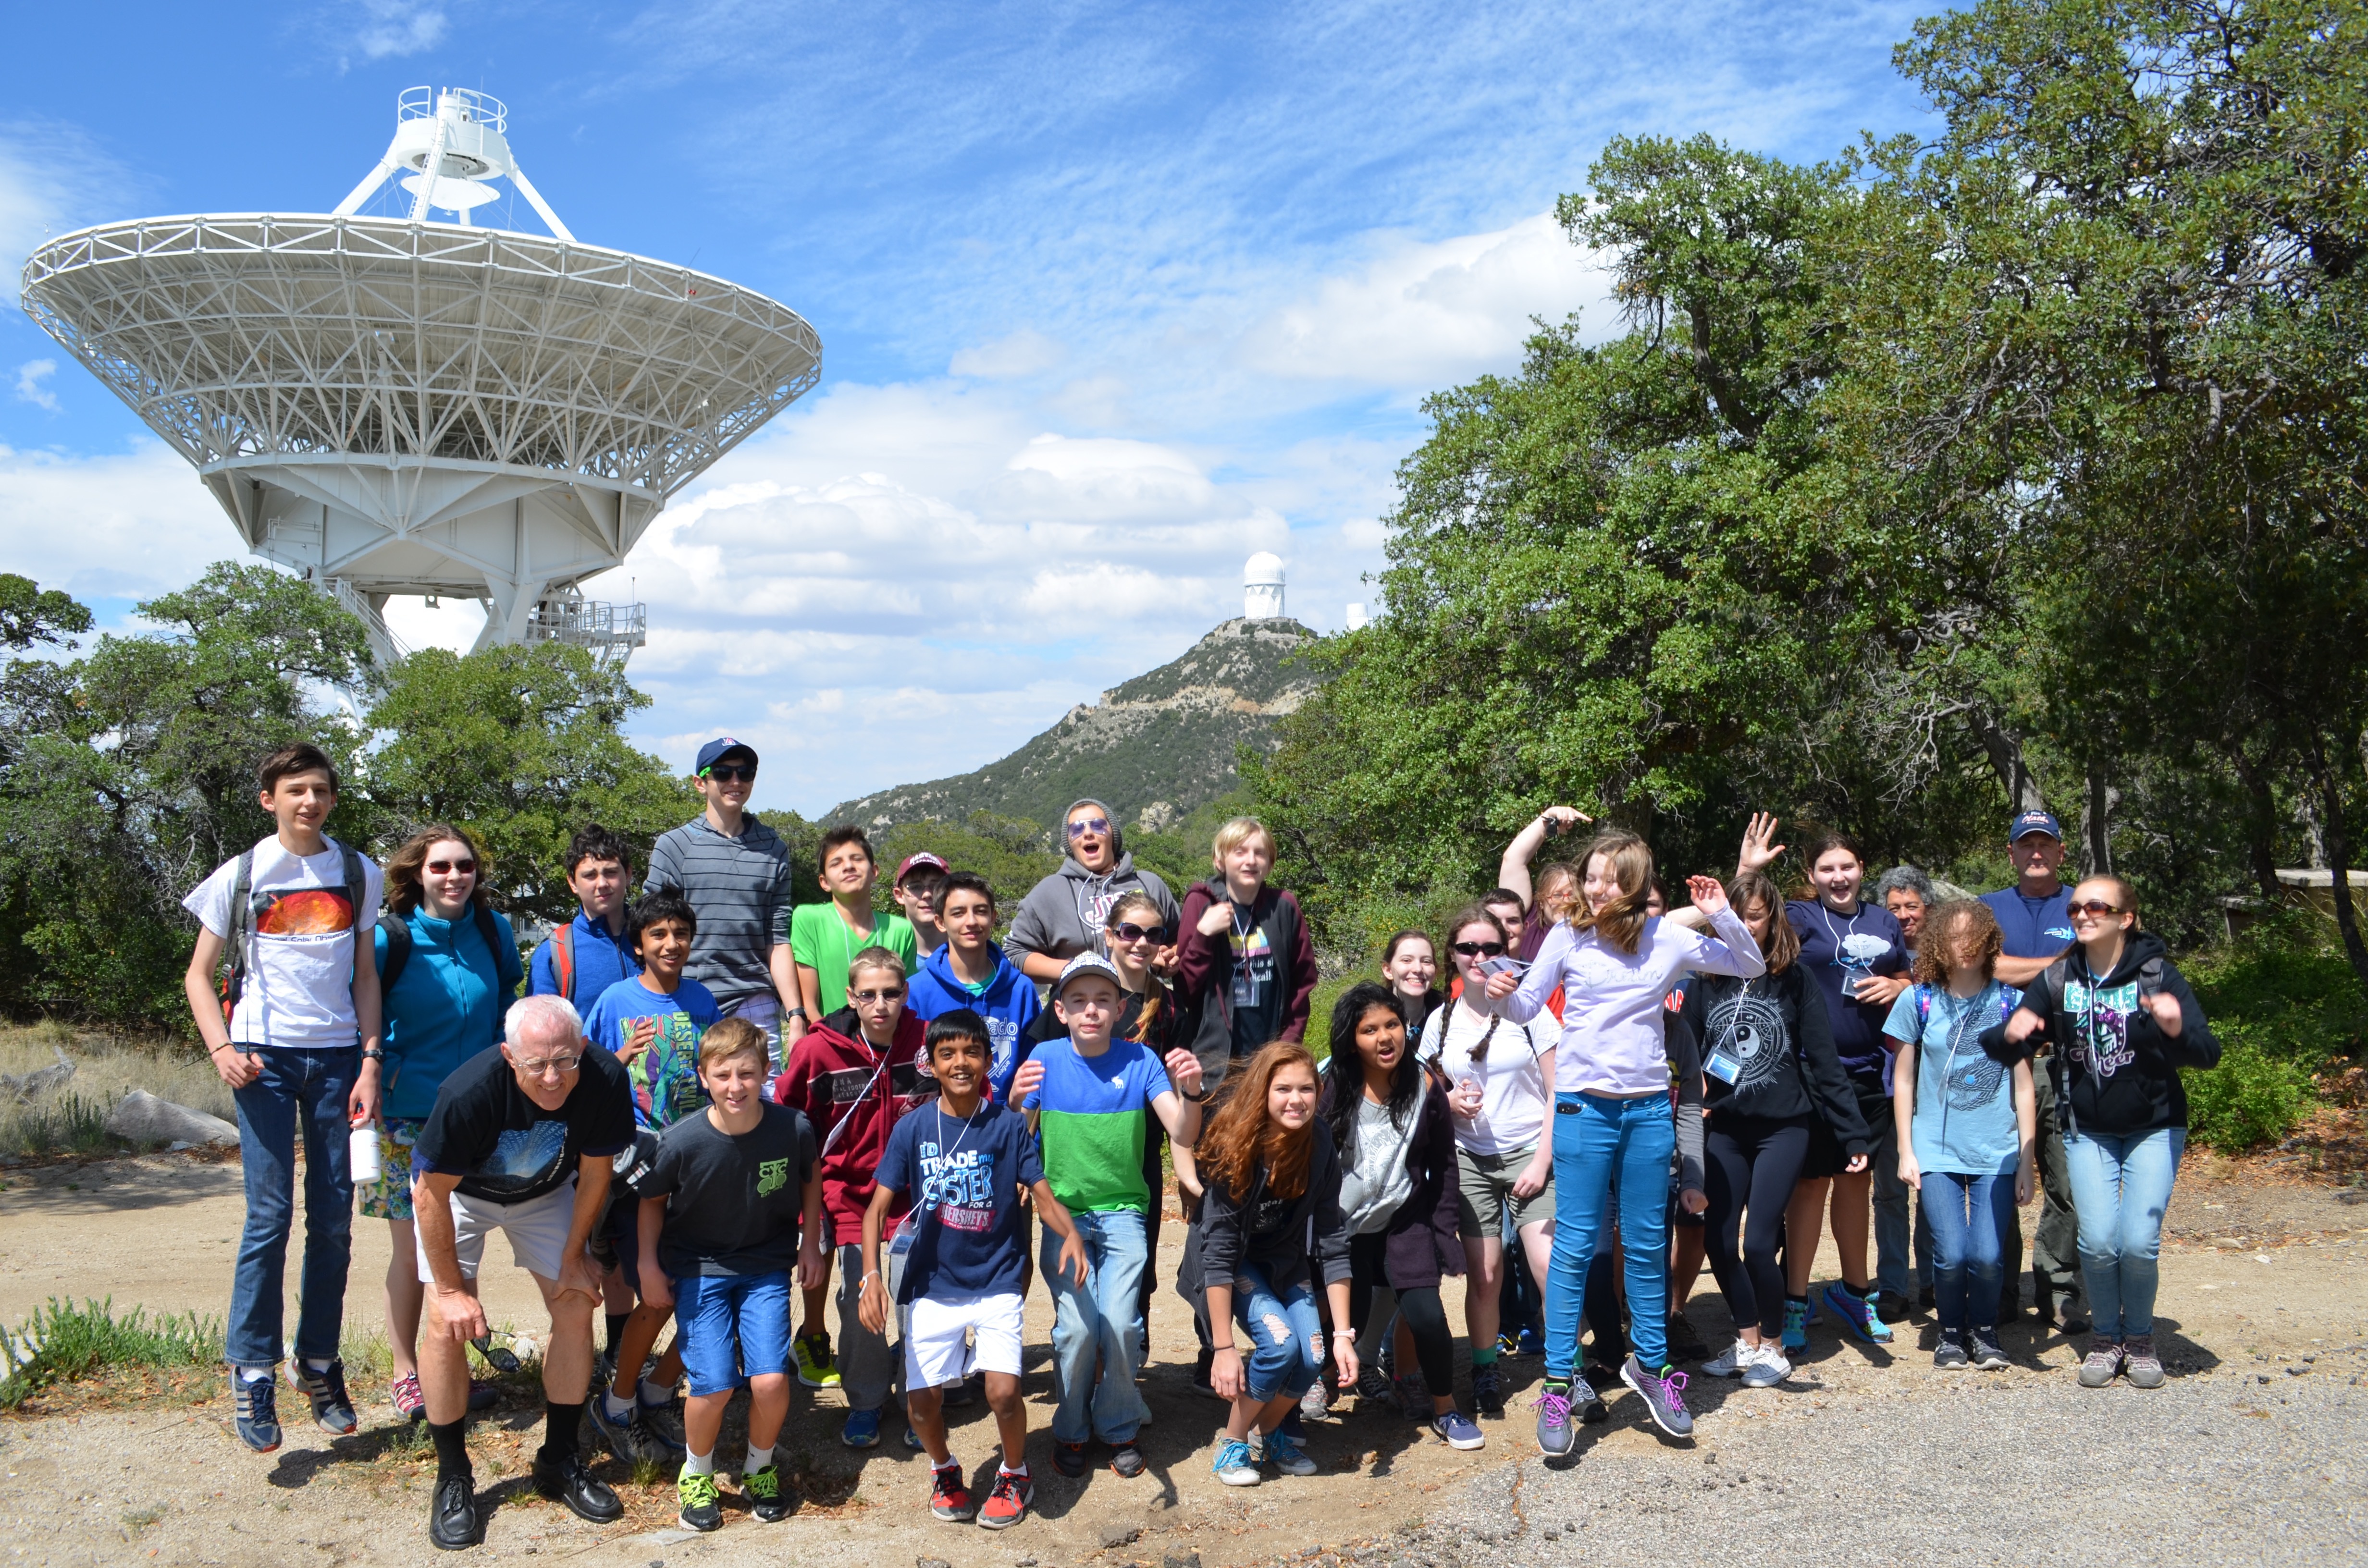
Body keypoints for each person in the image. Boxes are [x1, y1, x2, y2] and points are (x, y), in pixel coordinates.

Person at [1480, 831, 1757, 1458]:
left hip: (1649, 1112)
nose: (1597, 888)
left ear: (1634, 882)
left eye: (1609, 878)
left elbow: (1749, 964)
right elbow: (1528, 1005)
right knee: (1576, 1247)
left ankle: (1652, 1370)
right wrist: (1502, 990)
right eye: (1591, 877)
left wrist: (1721, 913)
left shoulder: (1667, 939)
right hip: (1581, 1110)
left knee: (1646, 1245)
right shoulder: (1567, 937)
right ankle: (1558, 1384)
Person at [180, 742, 384, 1453]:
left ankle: (318, 1367)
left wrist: (368, 1060)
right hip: (262, 1060)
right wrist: (222, 1049)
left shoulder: (359, 872)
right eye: (296, 790)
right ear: (270, 799)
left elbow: (365, 976)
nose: (310, 802)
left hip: (336, 1061)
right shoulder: (240, 874)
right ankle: (253, 1372)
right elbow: (199, 976)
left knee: (334, 1222)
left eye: (320, 790)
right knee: (268, 1217)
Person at [408, 994, 632, 1551]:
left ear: (582, 1047)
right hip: (459, 1196)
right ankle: (453, 1475)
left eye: (565, 1059)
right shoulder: (469, 1091)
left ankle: (558, 1459)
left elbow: (596, 1174)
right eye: (537, 1064)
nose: (554, 1077)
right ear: (510, 1056)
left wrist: (574, 1253)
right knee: (443, 1323)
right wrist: (454, 1292)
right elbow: (429, 1195)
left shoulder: (602, 1077)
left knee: (578, 1299)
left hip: (546, 1194)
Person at [859, 1009, 1087, 1531]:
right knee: (921, 1404)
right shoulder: (913, 1127)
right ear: (931, 1063)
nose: (960, 1063)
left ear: (987, 1059)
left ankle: (1014, 1471)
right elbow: (876, 1210)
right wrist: (871, 1276)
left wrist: (1069, 1232)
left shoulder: (1007, 1127)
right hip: (931, 1282)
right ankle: (943, 1468)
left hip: (996, 1278)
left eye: (971, 1052)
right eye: (947, 1054)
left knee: (1004, 1392)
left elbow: (1044, 1196)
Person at [2001, 875, 2219, 1389]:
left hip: (2154, 1126)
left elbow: (2206, 1054)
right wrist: (2008, 1037)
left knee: (2138, 1243)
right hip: (2087, 1130)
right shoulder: (2057, 980)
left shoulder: (2158, 974)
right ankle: (2105, 1337)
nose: (2081, 914)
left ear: (2125, 919)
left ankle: (2139, 1339)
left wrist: (2174, 1027)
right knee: (2098, 1242)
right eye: (2075, 906)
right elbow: (2008, 1049)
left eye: (2095, 906)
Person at [1012, 953, 1207, 1478]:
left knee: (1120, 1324)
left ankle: (1117, 1425)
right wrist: (1013, 1102)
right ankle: (1072, 1430)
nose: (1091, 1010)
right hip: (1063, 1219)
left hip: (1124, 1213)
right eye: (1078, 1001)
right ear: (1060, 1011)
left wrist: (1190, 1090)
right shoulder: (1044, 1060)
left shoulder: (1142, 1062)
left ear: (1121, 1009)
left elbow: (1183, 1132)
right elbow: (1015, 1135)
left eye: (1102, 1000)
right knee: (1075, 1331)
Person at [633, 1017, 824, 1531]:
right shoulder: (681, 1141)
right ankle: (696, 1474)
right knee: (713, 1387)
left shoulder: (793, 1127)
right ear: (703, 1077)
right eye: (723, 1076)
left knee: (768, 1381)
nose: (735, 1086)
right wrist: (649, 1266)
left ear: (766, 1071)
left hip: (765, 1265)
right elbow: (650, 1202)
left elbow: (811, 1179)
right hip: (701, 1268)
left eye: (747, 1073)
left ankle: (759, 1470)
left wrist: (811, 1242)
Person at [1681, 869, 1866, 1390]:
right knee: (1718, 1239)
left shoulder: (1792, 977)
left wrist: (1852, 1135)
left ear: (1772, 920)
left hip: (1783, 1128)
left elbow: (1825, 1061)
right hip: (1726, 1128)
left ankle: (1775, 1348)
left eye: (1756, 916)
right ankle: (1746, 1342)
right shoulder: (1706, 981)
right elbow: (1688, 1058)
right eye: (1736, 916)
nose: (1746, 924)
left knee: (1760, 1243)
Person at [364, 825, 523, 1423]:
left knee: (460, 1249)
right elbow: (363, 1011)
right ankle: (408, 1374)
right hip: (408, 1112)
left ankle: (451, 1368)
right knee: (412, 1251)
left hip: (481, 1112)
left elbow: (508, 1000)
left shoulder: (493, 930)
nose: (454, 877)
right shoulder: (389, 938)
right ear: (416, 875)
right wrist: (371, 1072)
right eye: (440, 868)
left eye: (464, 866)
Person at [1732, 819, 1913, 1342]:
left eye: (1847, 867)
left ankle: (1854, 1294)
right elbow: (1741, 926)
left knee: (1855, 1182)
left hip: (1867, 1073)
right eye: (1826, 869)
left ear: (1862, 870)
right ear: (1811, 875)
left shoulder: (1883, 920)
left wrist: (1898, 984)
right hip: (1807, 1071)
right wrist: (1747, 868)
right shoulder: (1798, 916)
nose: (1839, 877)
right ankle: (1795, 1301)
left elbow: (1906, 974)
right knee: (1808, 1188)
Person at [770, 945, 936, 1449]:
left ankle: (917, 1400)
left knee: (916, 1299)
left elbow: (969, 1097)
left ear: (905, 993)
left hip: (914, 1195)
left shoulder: (927, 1042)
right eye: (869, 995)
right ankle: (864, 1400)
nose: (881, 1004)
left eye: (891, 993)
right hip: (844, 1194)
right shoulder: (818, 1050)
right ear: (851, 997)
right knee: (858, 1299)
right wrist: (806, 1203)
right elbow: (788, 1117)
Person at [580, 892, 723, 1463]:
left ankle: (657, 1392)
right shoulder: (616, 999)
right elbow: (585, 1077)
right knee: (659, 1293)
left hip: (695, 1164)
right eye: (658, 935)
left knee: (708, 1293)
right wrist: (620, 1055)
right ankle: (615, 1404)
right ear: (637, 943)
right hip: (633, 1170)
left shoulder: (700, 999)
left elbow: (719, 1072)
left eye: (680, 933)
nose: (670, 944)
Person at [1325, 982, 1481, 1450]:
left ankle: (1445, 1408)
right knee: (1340, 1320)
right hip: (1344, 1222)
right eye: (1369, 1029)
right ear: (1352, 1038)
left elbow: (1444, 1163)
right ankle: (1311, 1394)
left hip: (1403, 1217)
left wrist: (1441, 1226)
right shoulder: (1333, 1082)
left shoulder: (1425, 1084)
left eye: (1391, 1024)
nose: (1383, 1037)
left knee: (1427, 1315)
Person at [1197, 1041, 1357, 1488]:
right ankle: (1233, 1440)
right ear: (1263, 1092)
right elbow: (1220, 1253)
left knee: (1315, 1355)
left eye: (1307, 1089)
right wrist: (1224, 1349)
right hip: (1235, 1266)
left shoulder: (1320, 1142)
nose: (1297, 1099)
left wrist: (1344, 1334)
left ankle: (1270, 1432)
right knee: (1280, 1345)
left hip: (1286, 1264)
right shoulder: (1237, 1148)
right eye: (1283, 1088)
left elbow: (1332, 1238)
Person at [1418, 906, 1555, 1420]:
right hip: (1468, 1157)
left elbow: (1557, 1092)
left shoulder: (1532, 1012)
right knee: (1485, 1271)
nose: (1480, 958)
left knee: (1548, 1267)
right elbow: (1421, 1082)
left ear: (1508, 952)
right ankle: (1484, 1370)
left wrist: (1541, 1163)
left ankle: (1570, 1369)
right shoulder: (1441, 1019)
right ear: (1452, 956)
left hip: (1531, 1152)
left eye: (1491, 948)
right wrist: (1447, 1102)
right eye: (1467, 949)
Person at [1887, 900, 2034, 1371]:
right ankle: (1950, 1333)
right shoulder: (1919, 1000)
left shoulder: (2010, 1002)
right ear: (1937, 944)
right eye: (1953, 937)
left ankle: (1984, 1331)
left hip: (1997, 1149)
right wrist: (1905, 1151)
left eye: (1973, 937)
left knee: (1988, 1256)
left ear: (1989, 942)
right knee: (1949, 1254)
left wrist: (2026, 1163)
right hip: (1934, 1149)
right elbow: (1903, 1080)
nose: (1964, 947)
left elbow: (2025, 1086)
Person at [1980, 808, 2088, 1332]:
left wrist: (2026, 967)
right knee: (1999, 1177)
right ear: (2011, 853)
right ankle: (1999, 1292)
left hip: (2068, 1063)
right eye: (2026, 845)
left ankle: (2059, 1290)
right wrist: (2058, 965)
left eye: (2046, 844)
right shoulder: (1987, 908)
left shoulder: (2083, 904)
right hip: (2001, 1063)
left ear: (2061, 852)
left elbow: (2094, 967)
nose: (2036, 853)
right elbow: (1984, 965)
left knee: (2066, 1184)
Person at [646, 737, 802, 1066]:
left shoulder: (774, 849)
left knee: (764, 1099)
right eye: (723, 772)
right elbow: (652, 931)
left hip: (754, 999)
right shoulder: (674, 846)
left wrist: (796, 1014)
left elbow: (778, 938)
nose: (735, 782)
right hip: (686, 996)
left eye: (745, 773)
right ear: (700, 783)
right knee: (687, 1098)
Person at [1177, 818, 1320, 1085]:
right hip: (1213, 1064)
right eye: (1239, 852)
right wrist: (1203, 935)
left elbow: (1302, 984)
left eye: (1260, 853)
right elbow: (1186, 990)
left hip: (1269, 1062)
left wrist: (1287, 1047)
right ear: (1220, 862)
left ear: (1270, 864)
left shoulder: (1283, 907)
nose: (1251, 861)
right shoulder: (1201, 903)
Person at [1007, 799, 1183, 984]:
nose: (1088, 833)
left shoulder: (1149, 884)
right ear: (1069, 842)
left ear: (1113, 834)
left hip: (1146, 1006)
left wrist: (1166, 960)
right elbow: (1015, 952)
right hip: (1080, 1009)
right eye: (1077, 829)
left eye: (1098, 825)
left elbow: (1178, 938)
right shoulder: (1049, 892)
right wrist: (1077, 969)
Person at [904, 870, 1042, 1102]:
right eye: (958, 913)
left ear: (993, 917)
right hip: (939, 1124)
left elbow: (1033, 1071)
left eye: (981, 911)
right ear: (940, 922)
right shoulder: (918, 991)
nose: (971, 922)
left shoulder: (1021, 990)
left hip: (1006, 1124)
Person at [793, 826, 920, 1021]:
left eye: (857, 859)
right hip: (830, 1042)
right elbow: (808, 1005)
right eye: (836, 863)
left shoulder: (900, 930)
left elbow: (906, 1000)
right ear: (824, 882)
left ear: (874, 871)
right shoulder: (808, 919)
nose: (848, 867)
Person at [529, 826, 640, 1012]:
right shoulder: (555, 954)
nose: (602, 884)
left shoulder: (654, 939)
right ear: (573, 883)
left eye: (611, 872)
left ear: (628, 874)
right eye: (590, 875)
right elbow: (542, 1034)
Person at [1381, 930, 1443, 1037]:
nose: (1418, 969)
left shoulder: (1450, 1015)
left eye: (1426, 961)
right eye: (1407, 960)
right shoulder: (1371, 1017)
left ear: (1435, 972)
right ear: (1388, 970)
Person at [895, 853, 950, 960]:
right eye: (916, 887)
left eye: (936, 887)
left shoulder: (969, 953)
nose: (927, 895)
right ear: (900, 895)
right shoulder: (890, 955)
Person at [1875, 865, 1936, 957]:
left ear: (1929, 908)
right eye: (1894, 909)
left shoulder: (1944, 953)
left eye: (1912, 907)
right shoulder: (1878, 955)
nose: (1903, 916)